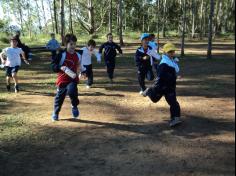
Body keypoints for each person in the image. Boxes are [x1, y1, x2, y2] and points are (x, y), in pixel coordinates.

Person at [142, 43, 182, 127]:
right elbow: (162, 76)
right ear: (165, 52)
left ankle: (176, 118)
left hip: (170, 87)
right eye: (169, 51)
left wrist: (175, 74)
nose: (172, 53)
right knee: (154, 99)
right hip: (161, 85)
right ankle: (149, 91)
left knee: (173, 102)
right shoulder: (164, 63)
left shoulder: (172, 60)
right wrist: (174, 77)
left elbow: (176, 70)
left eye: (173, 51)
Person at [51, 34, 82, 122]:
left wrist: (81, 72)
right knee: (60, 97)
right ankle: (56, 112)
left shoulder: (78, 55)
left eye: (74, 44)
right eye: (71, 44)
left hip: (72, 79)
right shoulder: (61, 55)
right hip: (62, 79)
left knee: (72, 92)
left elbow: (79, 65)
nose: (73, 46)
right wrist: (60, 67)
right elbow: (53, 65)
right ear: (66, 44)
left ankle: (74, 106)